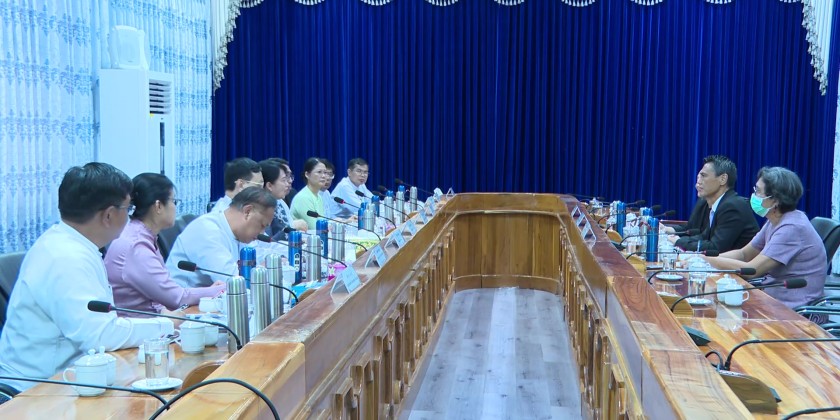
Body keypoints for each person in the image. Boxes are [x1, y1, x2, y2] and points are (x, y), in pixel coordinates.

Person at [0, 163, 174, 393]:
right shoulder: (65, 257)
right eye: (128, 208)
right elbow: (100, 335)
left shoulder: (73, 244)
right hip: (35, 391)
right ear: (109, 215)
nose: (130, 215)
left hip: (71, 376)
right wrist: (167, 324)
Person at [104, 173, 226, 316]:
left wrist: (210, 291)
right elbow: (176, 298)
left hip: (156, 320)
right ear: (158, 206)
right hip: (141, 326)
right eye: (174, 201)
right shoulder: (136, 245)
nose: (175, 207)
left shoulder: (142, 235)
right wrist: (217, 290)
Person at [705, 167, 826, 310]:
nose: (753, 195)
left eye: (758, 191)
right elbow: (744, 254)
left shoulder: (792, 227)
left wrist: (706, 260)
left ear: (775, 200)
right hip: (772, 299)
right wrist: (701, 261)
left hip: (796, 310)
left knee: (716, 310)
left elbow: (752, 270)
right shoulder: (774, 220)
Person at [166, 187, 277, 288]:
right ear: (247, 212)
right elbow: (233, 282)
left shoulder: (240, 233)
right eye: (262, 225)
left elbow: (259, 261)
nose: (262, 233)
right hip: (184, 302)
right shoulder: (207, 230)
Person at [662, 155, 759, 253]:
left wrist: (678, 242)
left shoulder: (732, 206)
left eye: (703, 176)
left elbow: (715, 247)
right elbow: (703, 237)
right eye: (698, 177)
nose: (698, 182)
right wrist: (674, 238)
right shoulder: (717, 204)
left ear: (723, 179)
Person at [260, 158, 308, 241]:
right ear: (269, 186)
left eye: (289, 177)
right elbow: (267, 243)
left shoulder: (280, 202)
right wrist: (291, 228)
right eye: (284, 179)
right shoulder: (260, 207)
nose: (289, 182)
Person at [290, 157, 328, 230]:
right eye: (319, 172)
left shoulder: (319, 196)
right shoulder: (303, 197)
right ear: (307, 174)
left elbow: (322, 222)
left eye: (325, 172)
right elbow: (315, 228)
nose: (323, 176)